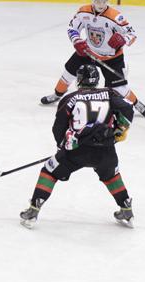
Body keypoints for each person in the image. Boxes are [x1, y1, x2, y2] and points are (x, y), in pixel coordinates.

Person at [20, 64, 135, 228]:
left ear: (80, 80)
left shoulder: (70, 98)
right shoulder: (109, 94)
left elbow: (58, 128)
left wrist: (62, 146)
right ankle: (126, 208)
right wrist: (120, 129)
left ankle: (34, 208)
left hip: (77, 151)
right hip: (106, 150)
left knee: (49, 171)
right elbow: (128, 108)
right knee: (111, 176)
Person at [40, 0, 145, 118]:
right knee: (68, 73)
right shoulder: (83, 11)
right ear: (93, 0)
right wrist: (77, 41)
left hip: (111, 57)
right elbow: (72, 28)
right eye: (98, 1)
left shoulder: (116, 16)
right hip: (87, 51)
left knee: (119, 88)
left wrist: (123, 39)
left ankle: (136, 103)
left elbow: (132, 34)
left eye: (104, 1)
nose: (101, 4)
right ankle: (56, 95)